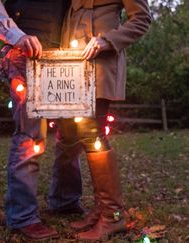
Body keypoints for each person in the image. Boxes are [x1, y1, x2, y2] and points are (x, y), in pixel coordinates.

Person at [0, 0, 84, 241]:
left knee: (71, 133)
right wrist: (16, 35)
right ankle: (23, 215)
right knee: (30, 135)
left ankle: (65, 200)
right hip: (23, 54)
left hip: (66, 57)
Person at [48, 0, 152, 241]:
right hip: (73, 65)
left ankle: (112, 216)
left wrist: (108, 40)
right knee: (84, 137)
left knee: (93, 134)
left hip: (101, 65)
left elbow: (142, 19)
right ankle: (100, 210)